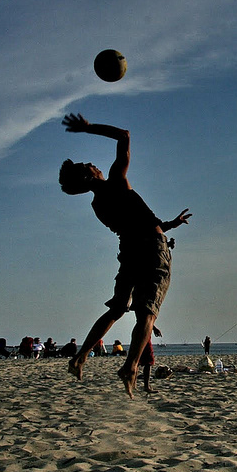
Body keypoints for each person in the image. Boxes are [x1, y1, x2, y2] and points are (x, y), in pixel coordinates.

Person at [59, 113, 192, 398]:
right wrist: (88, 128)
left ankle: (81, 356)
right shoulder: (116, 182)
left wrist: (170, 224)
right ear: (88, 176)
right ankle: (131, 366)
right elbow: (125, 136)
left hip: (130, 250)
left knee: (118, 308)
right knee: (147, 311)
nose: (93, 164)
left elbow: (135, 223)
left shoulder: (98, 205)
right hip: (151, 247)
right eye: (88, 165)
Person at [140, 326, 163, 393]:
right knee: (148, 361)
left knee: (138, 359)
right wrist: (154, 328)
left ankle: (134, 385)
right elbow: (147, 318)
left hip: (142, 331)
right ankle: (146, 386)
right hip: (145, 331)